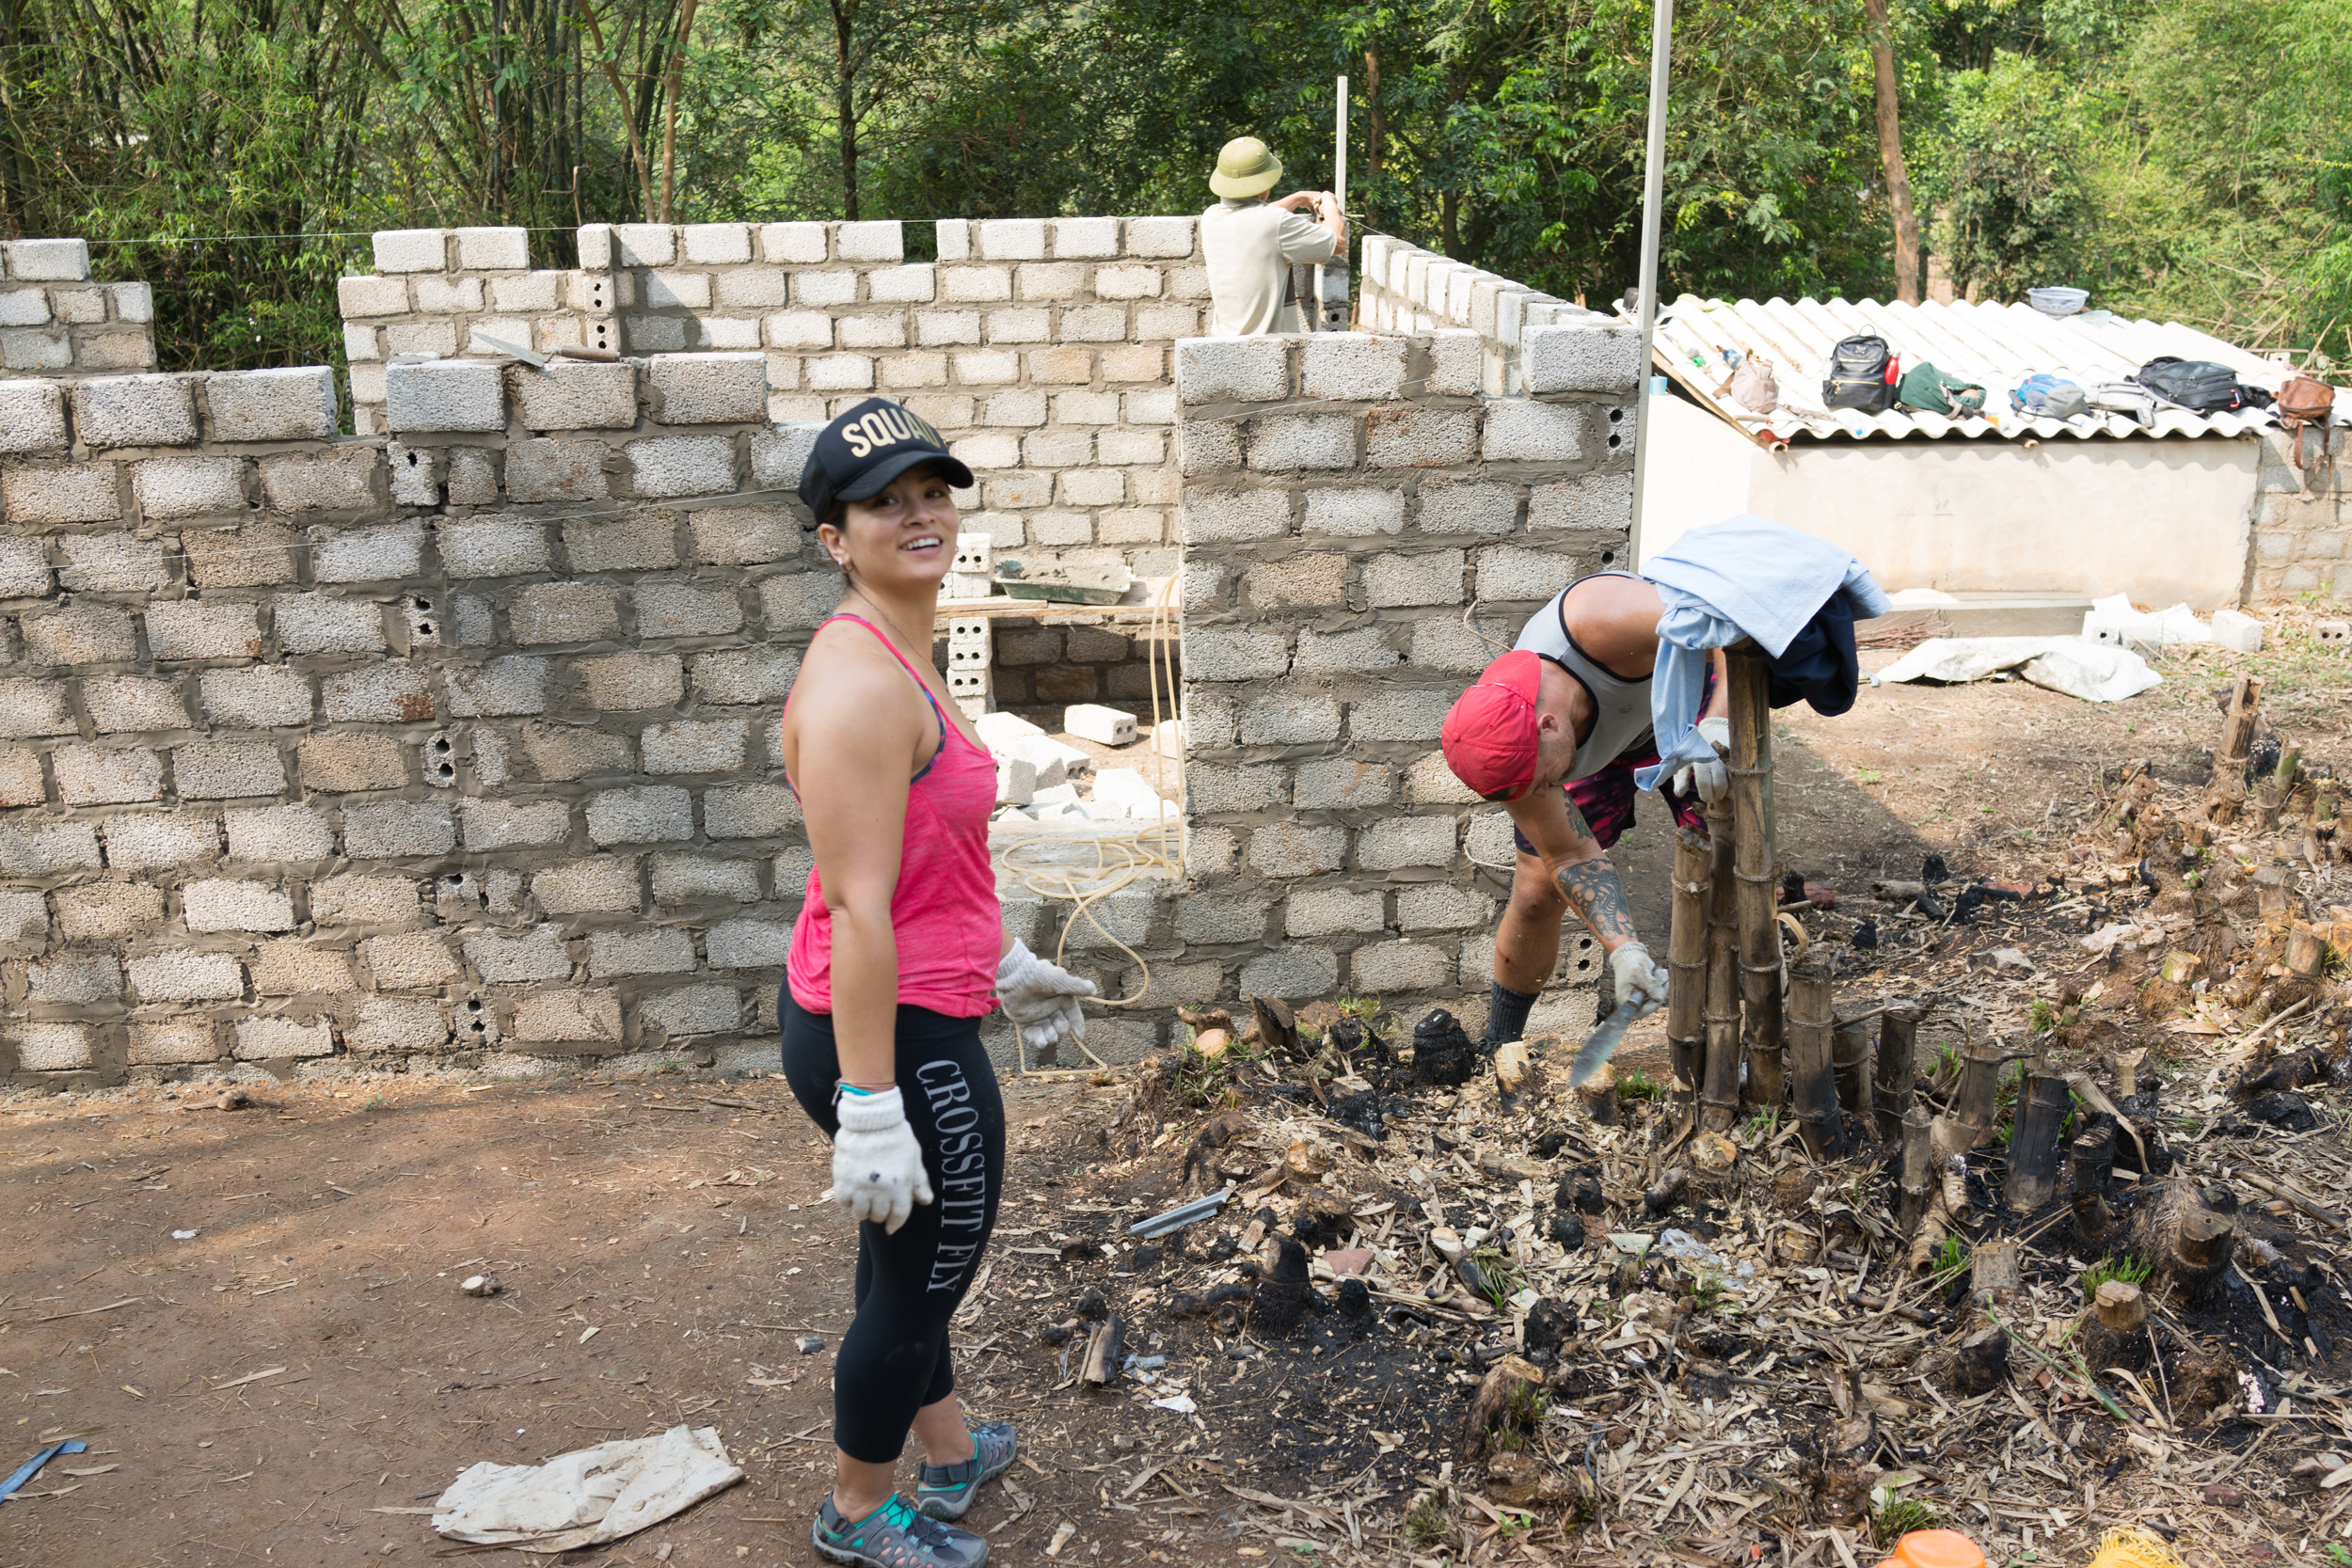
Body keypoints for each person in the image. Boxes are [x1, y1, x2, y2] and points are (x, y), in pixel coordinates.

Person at [779, 395, 1099, 1568]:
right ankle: (856, 1509)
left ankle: (952, 1449)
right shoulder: (861, 682)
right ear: (834, 536)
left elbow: (921, 862)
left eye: (931, 491)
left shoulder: (900, 644)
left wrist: (998, 956)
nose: (918, 515)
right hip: (891, 1034)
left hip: (911, 998)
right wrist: (870, 1105)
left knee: (910, 1258)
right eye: (882, 502)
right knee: (924, 1275)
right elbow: (860, 903)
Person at [1438, 519, 1888, 1052]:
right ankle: (1501, 1042)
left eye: (1544, 779)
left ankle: (1759, 1023)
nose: (1543, 790)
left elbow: (1725, 615)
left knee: (1730, 860)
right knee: (1537, 890)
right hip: (1616, 741)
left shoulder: (1601, 622)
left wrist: (1718, 725)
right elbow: (1570, 857)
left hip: (1689, 703)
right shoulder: (1505, 747)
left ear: (1548, 724)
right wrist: (1624, 949)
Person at [1200, 135, 1345, 337]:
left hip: (1221, 347)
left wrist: (1297, 199)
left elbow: (1254, 215)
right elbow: (1338, 243)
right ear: (1264, 184)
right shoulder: (1274, 222)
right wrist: (1330, 203)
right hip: (1267, 351)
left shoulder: (1210, 217)